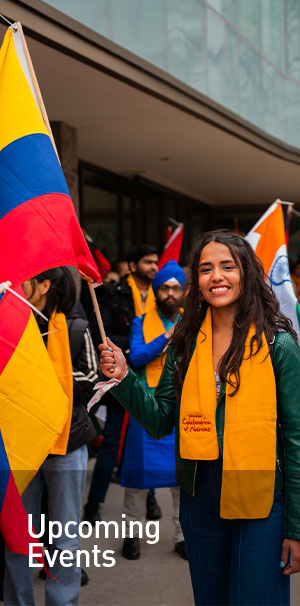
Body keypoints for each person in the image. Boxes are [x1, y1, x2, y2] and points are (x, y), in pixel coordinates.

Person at [99, 230, 300, 606]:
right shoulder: (185, 343)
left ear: (247, 273)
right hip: (200, 494)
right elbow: (160, 420)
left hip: (261, 496)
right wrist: (125, 378)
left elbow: (296, 437)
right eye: (206, 269)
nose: (216, 276)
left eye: (228, 266)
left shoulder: (278, 344)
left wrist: (297, 527)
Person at [4, 268, 99, 606]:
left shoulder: (74, 326)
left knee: (65, 536)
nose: (15, 285)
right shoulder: (9, 323)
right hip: (20, 445)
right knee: (17, 536)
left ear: (44, 286)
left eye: (24, 280)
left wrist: (39, 379)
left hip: (66, 442)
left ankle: (62, 601)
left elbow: (90, 376)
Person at [84, 245, 161, 525]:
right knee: (111, 444)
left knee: (150, 439)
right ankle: (94, 504)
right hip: (120, 378)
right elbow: (99, 332)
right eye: (147, 262)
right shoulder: (113, 295)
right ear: (132, 265)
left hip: (151, 379)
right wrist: (136, 349)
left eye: (156, 262)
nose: (153, 266)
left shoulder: (161, 295)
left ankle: (149, 499)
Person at [122, 261, 187, 560]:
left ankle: (181, 535)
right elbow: (135, 358)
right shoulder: (139, 322)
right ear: (156, 291)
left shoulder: (192, 321)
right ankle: (132, 534)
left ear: (184, 291)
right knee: (136, 476)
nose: (171, 293)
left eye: (176, 288)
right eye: (165, 288)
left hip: (180, 403)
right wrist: (166, 339)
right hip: (146, 404)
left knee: (180, 476)